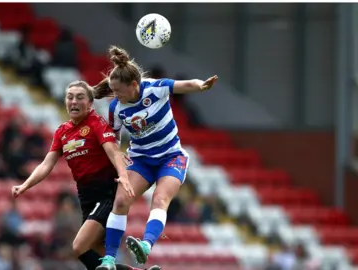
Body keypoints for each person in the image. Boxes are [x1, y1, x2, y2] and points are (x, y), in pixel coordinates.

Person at [11, 81, 161, 270]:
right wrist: (25, 185)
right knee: (95, 260)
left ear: (90, 104)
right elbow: (46, 164)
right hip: (86, 199)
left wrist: (123, 175)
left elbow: (114, 152)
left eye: (80, 97)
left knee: (79, 247)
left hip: (106, 195)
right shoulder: (62, 132)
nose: (74, 101)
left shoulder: (96, 123)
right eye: (70, 97)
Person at [93, 46, 218, 270]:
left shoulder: (155, 88)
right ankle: (109, 259)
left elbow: (184, 85)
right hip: (141, 160)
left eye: (119, 91)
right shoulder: (116, 108)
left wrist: (201, 85)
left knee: (160, 200)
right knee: (120, 201)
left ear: (134, 85)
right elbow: (113, 138)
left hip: (171, 157)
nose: (116, 95)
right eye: (113, 91)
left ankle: (146, 246)